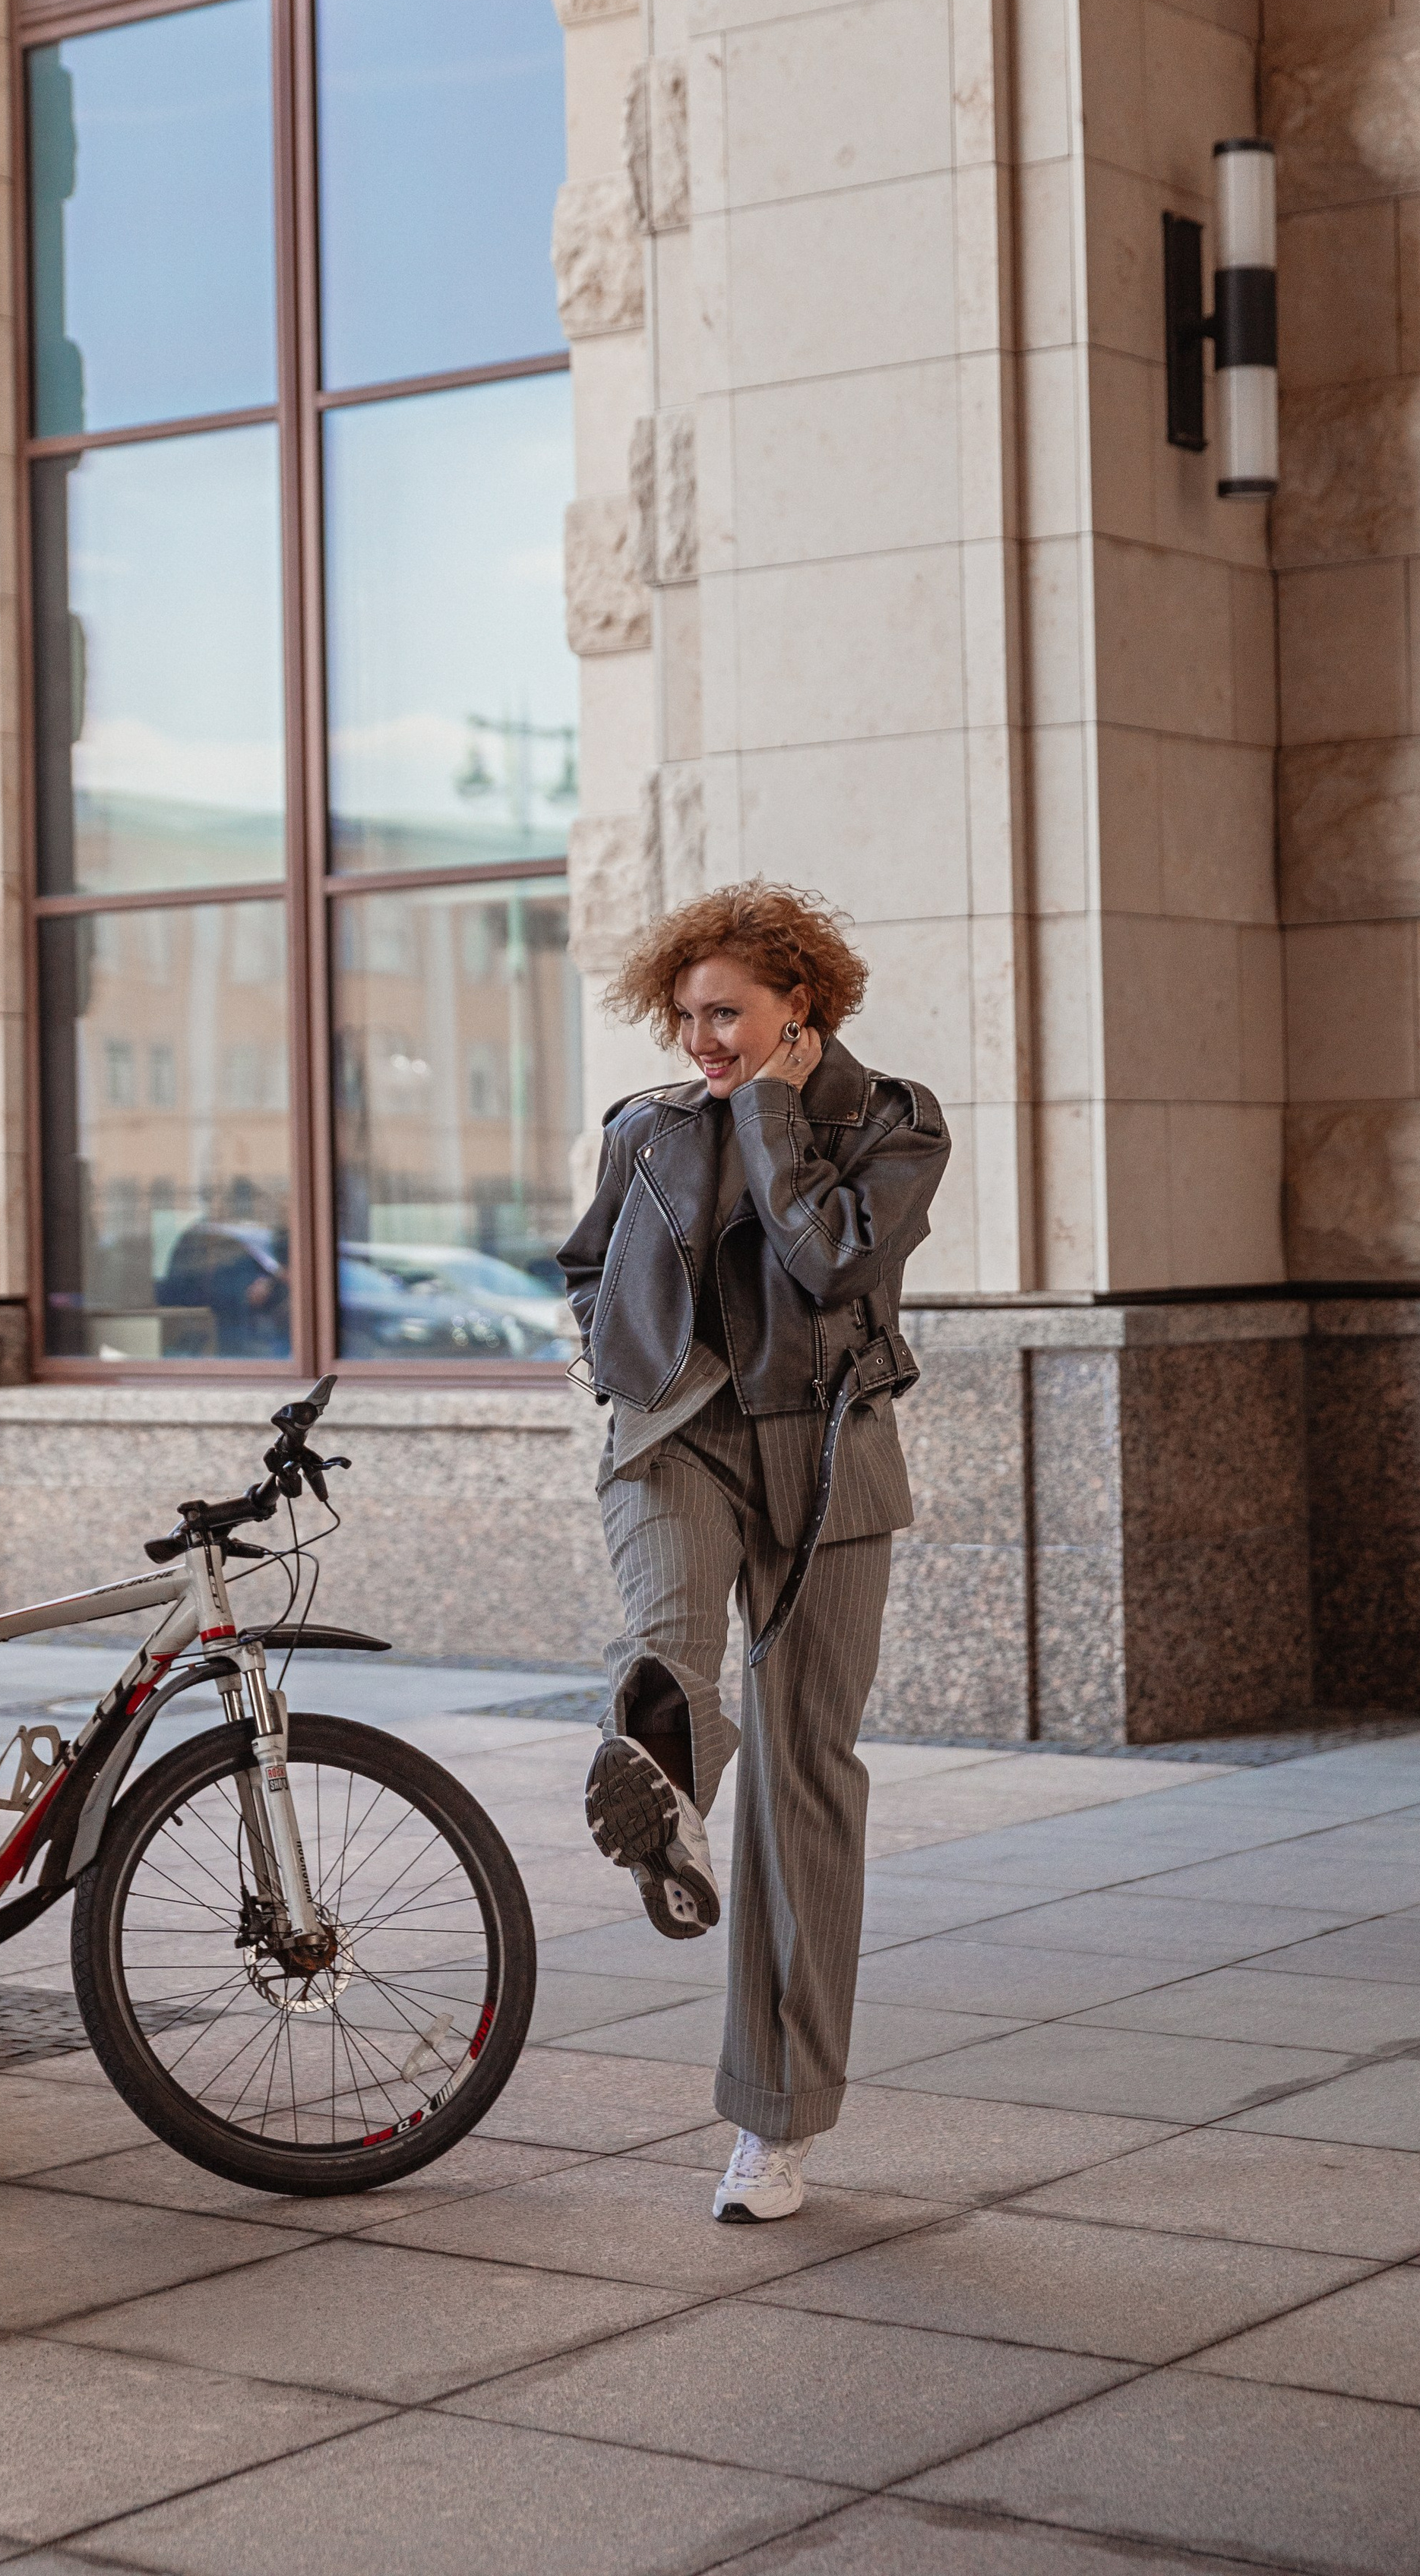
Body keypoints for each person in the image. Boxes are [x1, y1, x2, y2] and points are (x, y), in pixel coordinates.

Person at [558, 880, 948, 2224]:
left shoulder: (891, 1122)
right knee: (666, 1640)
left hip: (831, 1459)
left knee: (805, 1783)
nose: (700, 1043)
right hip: (680, 1434)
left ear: (803, 1008)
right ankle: (663, 1785)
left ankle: (775, 2128)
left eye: (726, 1015)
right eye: (685, 1018)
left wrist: (770, 1113)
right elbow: (587, 1263)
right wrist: (617, 1366)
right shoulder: (647, 1130)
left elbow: (835, 1260)